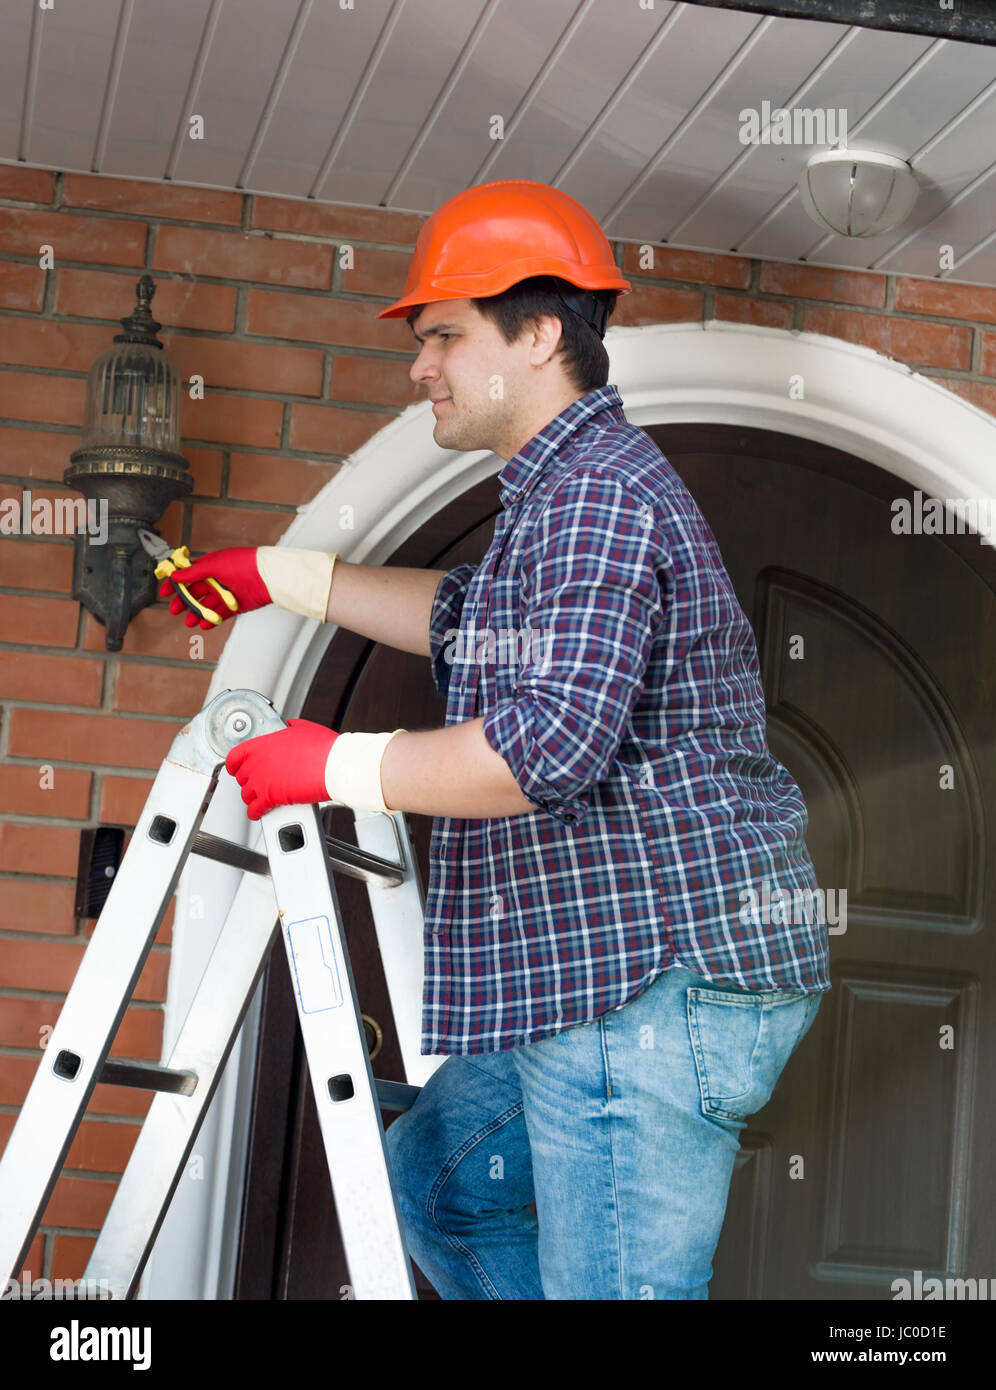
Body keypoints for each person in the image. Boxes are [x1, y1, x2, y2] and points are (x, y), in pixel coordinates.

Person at [162, 179, 831, 1300]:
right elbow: (472, 622)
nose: (420, 365)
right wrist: (284, 579)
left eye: (441, 336)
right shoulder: (560, 493)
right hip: (594, 974)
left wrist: (331, 764)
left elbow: (541, 751)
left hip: (648, 980)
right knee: (438, 1183)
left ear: (536, 332)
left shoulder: (598, 500)